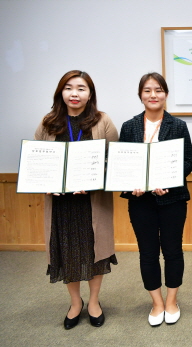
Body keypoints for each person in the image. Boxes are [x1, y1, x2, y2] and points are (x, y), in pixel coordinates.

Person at [34, 70, 118, 329]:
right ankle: (75, 303)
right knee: (67, 251)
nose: (74, 93)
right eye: (69, 87)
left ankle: (93, 301)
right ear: (61, 92)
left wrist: (94, 183)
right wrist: (45, 183)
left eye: (81, 88)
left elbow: (113, 160)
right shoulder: (49, 122)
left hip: (92, 203)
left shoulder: (102, 120)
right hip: (61, 204)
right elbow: (38, 160)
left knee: (95, 251)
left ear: (90, 94)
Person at [119, 72, 192, 326]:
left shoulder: (178, 125)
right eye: (148, 90)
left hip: (172, 199)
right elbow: (124, 164)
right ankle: (157, 302)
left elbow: (187, 161)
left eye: (159, 90)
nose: (153, 95)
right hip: (140, 201)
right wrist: (134, 185)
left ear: (166, 94)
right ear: (140, 95)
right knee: (148, 253)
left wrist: (168, 182)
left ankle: (172, 300)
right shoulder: (129, 127)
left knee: (173, 251)